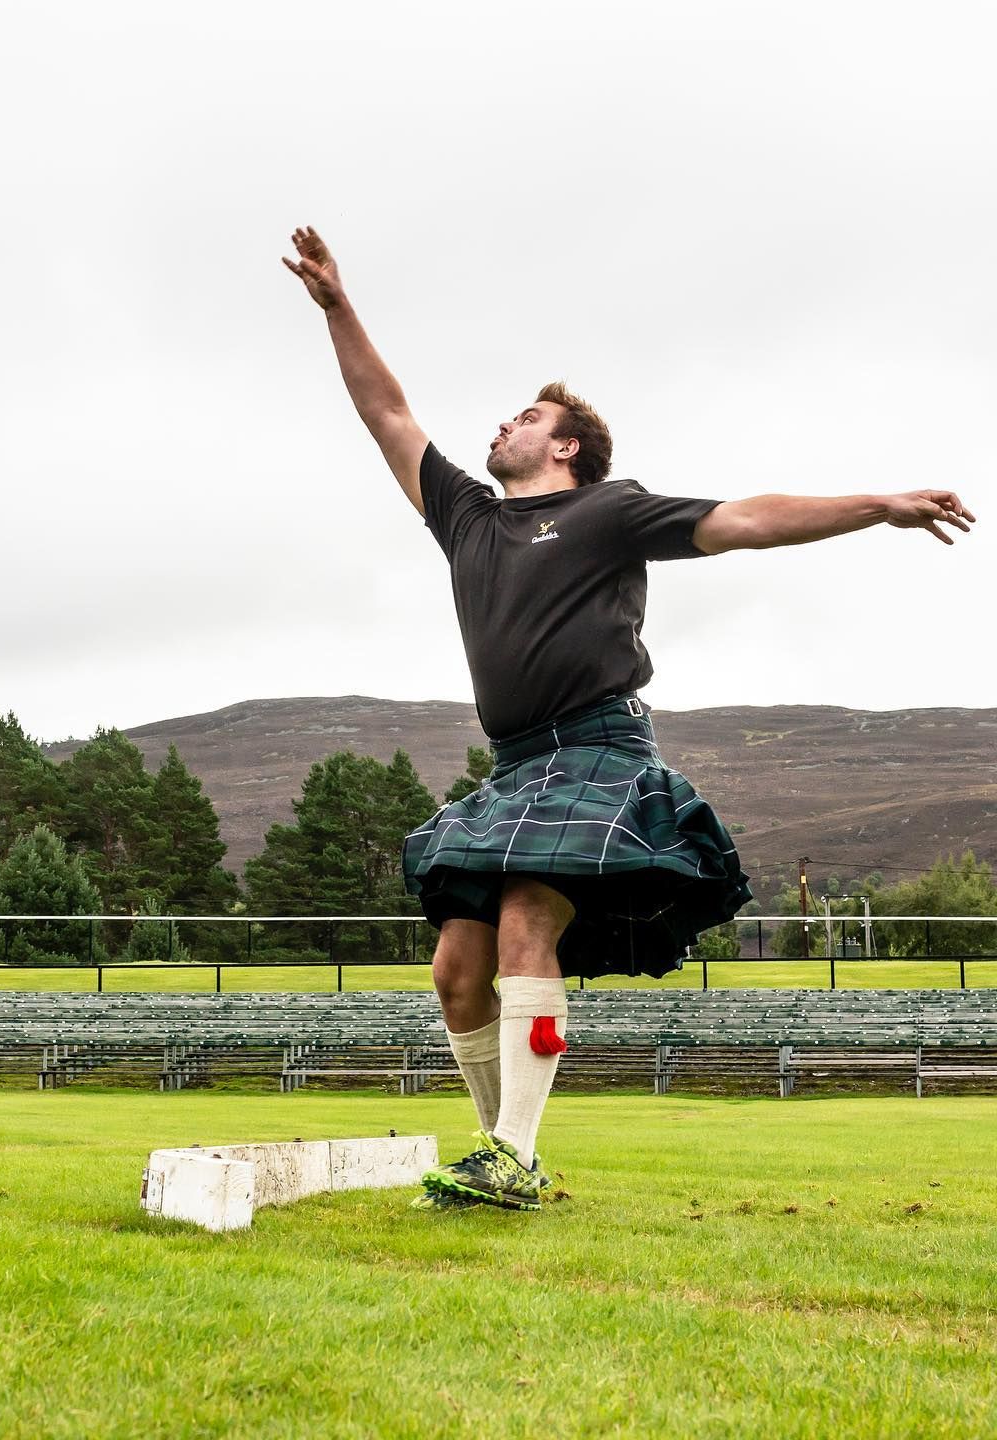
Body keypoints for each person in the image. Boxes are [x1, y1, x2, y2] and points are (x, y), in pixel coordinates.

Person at [282, 224, 976, 1211]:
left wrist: (877, 503)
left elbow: (743, 519)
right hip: (517, 766)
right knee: (453, 968)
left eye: (528, 415)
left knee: (528, 917)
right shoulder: (469, 518)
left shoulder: (610, 511)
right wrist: (338, 305)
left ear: (565, 446)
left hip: (598, 753)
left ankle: (512, 1156)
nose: (505, 424)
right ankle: (501, 1154)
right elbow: (388, 412)